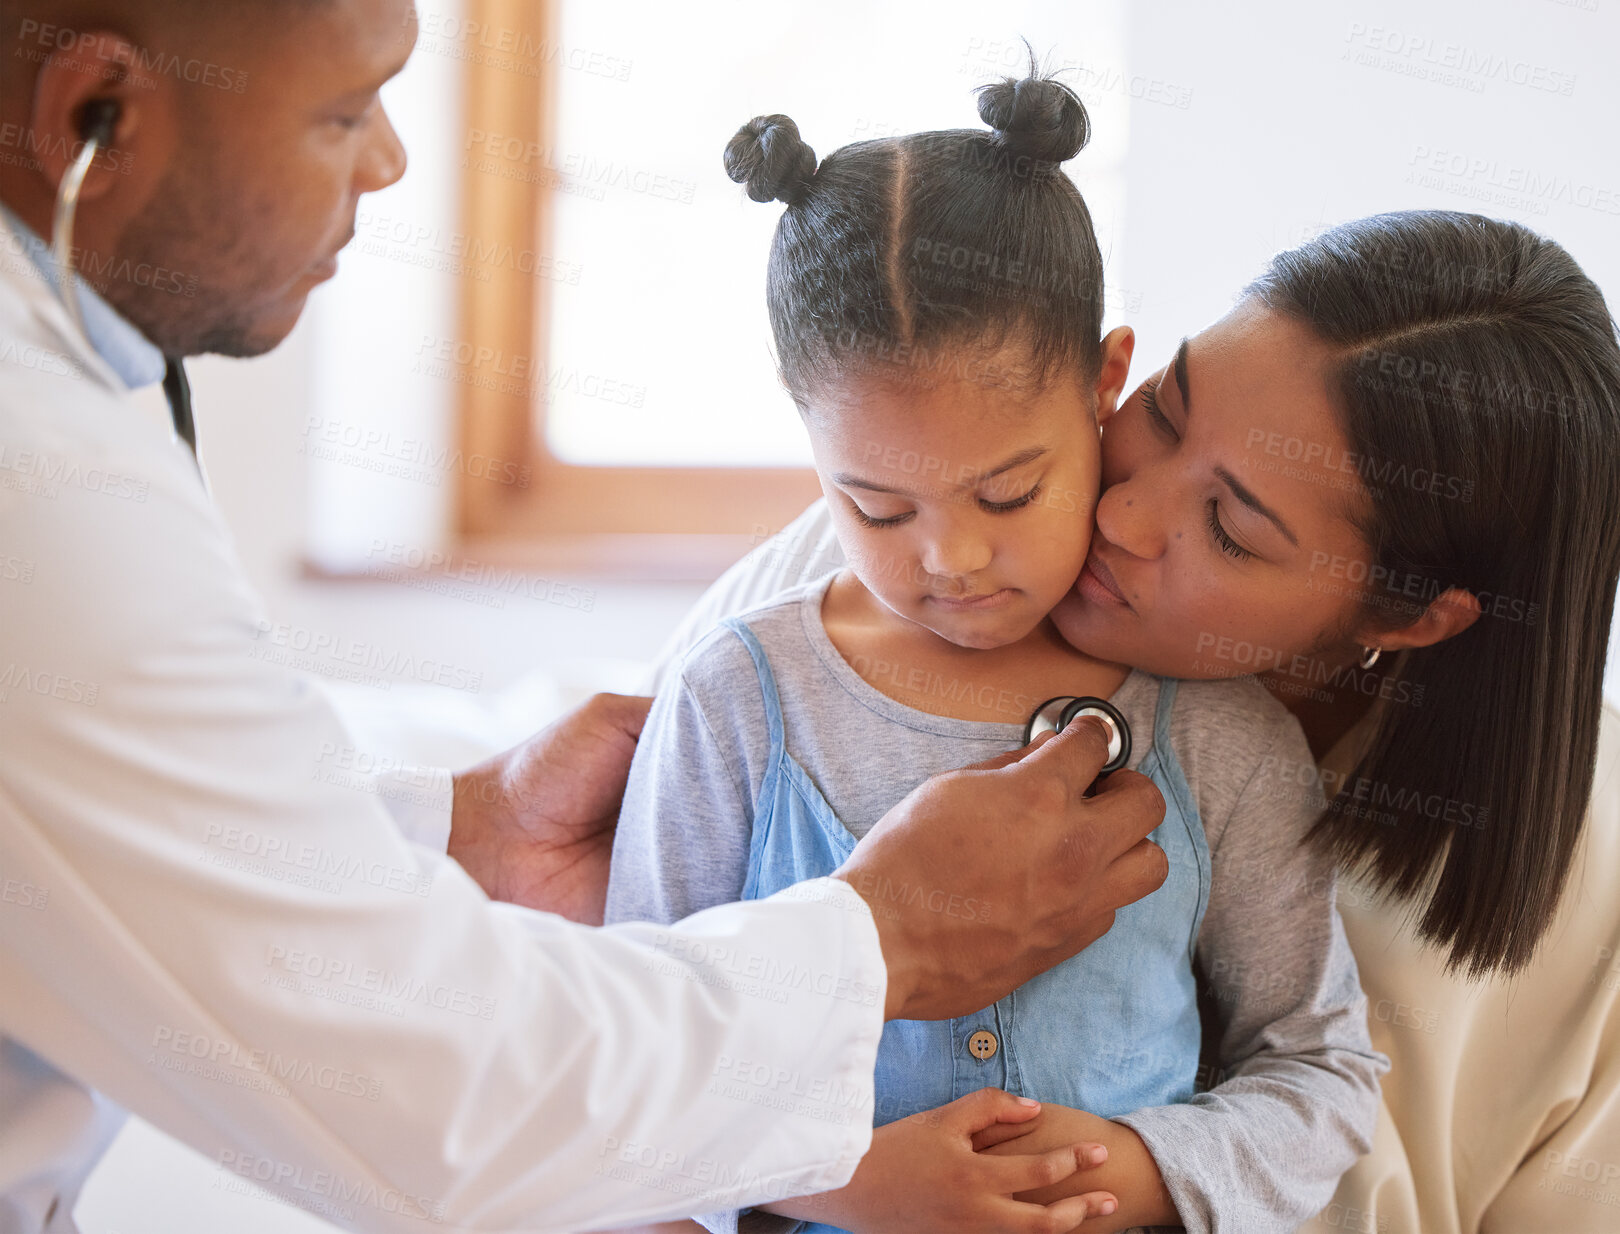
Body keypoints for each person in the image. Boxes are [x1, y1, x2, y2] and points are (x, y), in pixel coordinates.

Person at [0, 3, 1174, 1230]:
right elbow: (441, 1108)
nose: (392, 158)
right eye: (343, 111)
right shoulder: (34, 491)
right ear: (99, 111)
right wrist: (881, 940)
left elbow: (144, 808)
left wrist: (461, 825)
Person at [650, 209, 1620, 1234]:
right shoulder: (900, 562)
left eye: (1231, 529)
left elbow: (1327, 1098)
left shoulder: (1563, 873)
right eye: (1164, 408)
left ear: (1403, 614)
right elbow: (600, 1050)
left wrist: (1119, 1173)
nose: (1122, 514)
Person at [606, 79, 1387, 1234]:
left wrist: (1129, 1168)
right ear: (804, 427)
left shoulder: (1213, 733)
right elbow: (620, 1062)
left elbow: (1321, 1073)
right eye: (875, 508)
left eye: (1010, 490)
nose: (953, 557)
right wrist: (842, 1179)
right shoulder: (734, 702)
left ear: (1105, 380)